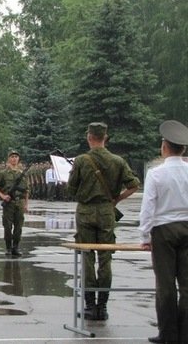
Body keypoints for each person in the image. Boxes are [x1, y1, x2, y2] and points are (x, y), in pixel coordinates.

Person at [67, 122, 140, 321]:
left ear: (89, 137)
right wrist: (116, 199)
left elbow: (71, 190)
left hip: (86, 212)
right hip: (107, 212)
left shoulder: (82, 160)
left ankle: (90, 305)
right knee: (106, 258)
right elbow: (134, 184)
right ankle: (103, 306)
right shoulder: (117, 161)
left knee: (87, 257)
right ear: (105, 137)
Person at [138, 120, 188, 344]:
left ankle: (168, 334)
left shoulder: (156, 174)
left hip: (164, 231)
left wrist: (145, 236)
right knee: (187, 286)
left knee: (165, 285)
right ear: (183, 148)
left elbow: (148, 207)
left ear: (164, 147)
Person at [0, 149, 29, 257]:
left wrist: (26, 204)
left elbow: (26, 190)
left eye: (16, 157)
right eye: (12, 157)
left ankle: (16, 247)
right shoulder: (3, 173)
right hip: (9, 203)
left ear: (19, 159)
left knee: (19, 227)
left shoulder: (22, 173)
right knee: (7, 227)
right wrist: (3, 196)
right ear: (9, 159)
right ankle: (8, 247)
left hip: (20, 202)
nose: (14, 159)